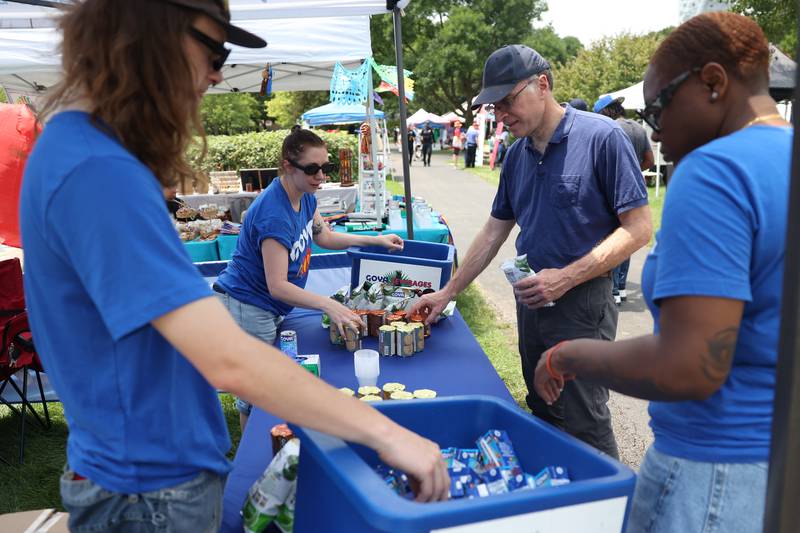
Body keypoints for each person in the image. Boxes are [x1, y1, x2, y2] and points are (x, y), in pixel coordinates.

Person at [19, 1, 449, 530]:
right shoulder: (98, 169)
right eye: (213, 49)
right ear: (151, 31)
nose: (218, 73)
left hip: (146, 477)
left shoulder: (84, 152)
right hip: (149, 491)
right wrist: (386, 433)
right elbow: (228, 359)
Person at [534, 12, 790, 532]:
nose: (651, 129)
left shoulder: (717, 171)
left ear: (713, 82)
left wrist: (570, 354)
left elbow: (689, 366)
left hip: (712, 475)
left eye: (657, 106)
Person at [410, 44, 652, 458]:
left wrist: (566, 277)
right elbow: (493, 231)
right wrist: (448, 292)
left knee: (583, 421)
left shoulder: (602, 137)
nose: (501, 115)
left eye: (507, 101)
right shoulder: (517, 154)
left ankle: (606, 513)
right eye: (494, 107)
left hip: (581, 306)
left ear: (542, 84)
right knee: (541, 405)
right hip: (532, 303)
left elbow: (640, 228)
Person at [214, 128, 404, 430]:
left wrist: (376, 241)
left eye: (325, 168)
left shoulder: (306, 196)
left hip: (269, 306)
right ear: (288, 165)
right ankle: (253, 461)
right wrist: (328, 305)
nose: (321, 176)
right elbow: (277, 286)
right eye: (313, 169)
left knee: (265, 382)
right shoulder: (273, 214)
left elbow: (323, 236)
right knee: (255, 389)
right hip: (248, 305)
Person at [594, 94, 656, 305]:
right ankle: (620, 287)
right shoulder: (638, 128)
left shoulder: (610, 129)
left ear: (605, 112)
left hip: (614, 192)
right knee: (631, 233)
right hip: (637, 191)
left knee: (615, 235)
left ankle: (612, 288)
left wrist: (623, 175)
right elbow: (650, 160)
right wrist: (633, 172)